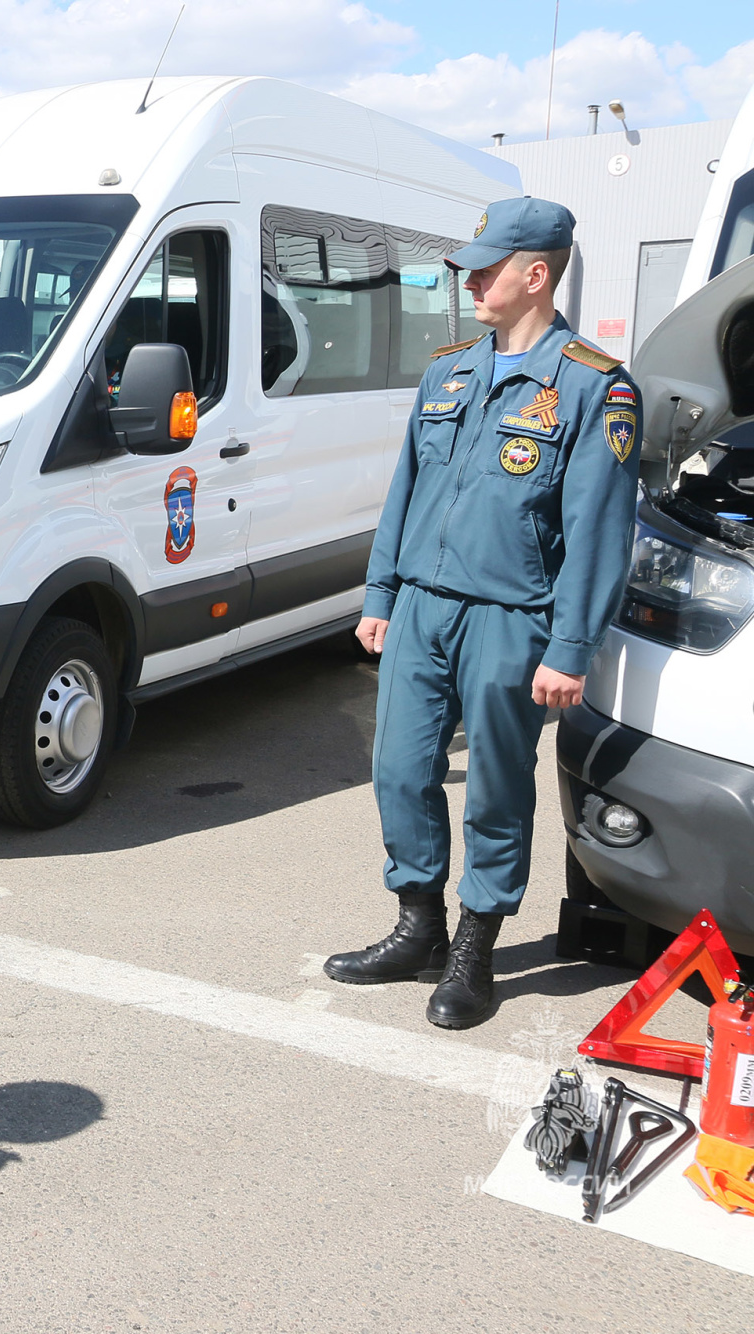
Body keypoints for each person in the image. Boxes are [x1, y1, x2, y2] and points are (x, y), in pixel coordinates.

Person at [324, 197, 642, 1029]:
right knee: (399, 769)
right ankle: (417, 925)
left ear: (535, 275)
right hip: (424, 611)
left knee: (496, 790)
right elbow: (408, 492)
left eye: (487, 267)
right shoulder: (450, 369)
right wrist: (381, 591)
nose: (471, 279)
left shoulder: (593, 387)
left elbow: (598, 534)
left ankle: (475, 950)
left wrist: (569, 647)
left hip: (513, 619)